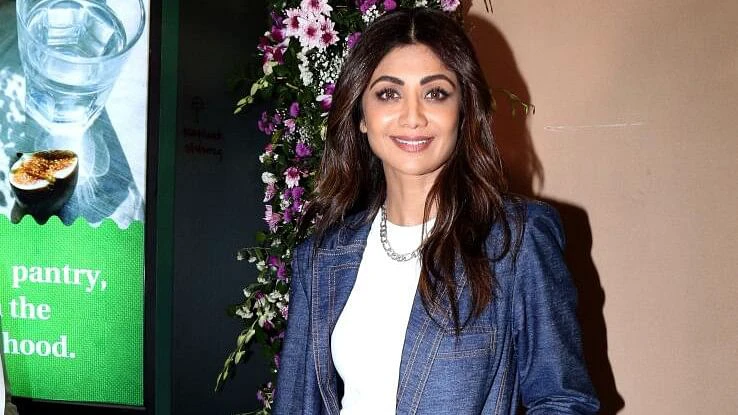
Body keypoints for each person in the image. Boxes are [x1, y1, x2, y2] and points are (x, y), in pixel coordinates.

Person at [274, 7, 599, 415]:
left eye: (435, 93)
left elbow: (564, 401)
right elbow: (296, 404)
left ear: (463, 111)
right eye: (388, 93)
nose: (412, 117)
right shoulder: (321, 258)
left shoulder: (516, 241)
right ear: (360, 115)